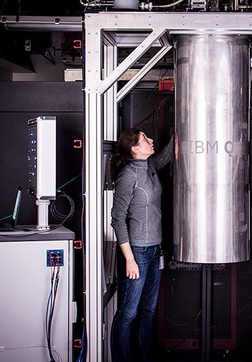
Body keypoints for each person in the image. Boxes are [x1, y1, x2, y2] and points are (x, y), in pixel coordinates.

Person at [109, 127, 173, 362]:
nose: (150, 139)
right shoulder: (128, 175)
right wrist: (130, 259)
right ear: (135, 148)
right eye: (145, 139)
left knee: (148, 311)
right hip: (137, 252)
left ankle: (146, 357)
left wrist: (183, 119)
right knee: (128, 313)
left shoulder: (150, 167)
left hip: (155, 250)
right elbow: (117, 217)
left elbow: (167, 154)